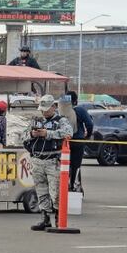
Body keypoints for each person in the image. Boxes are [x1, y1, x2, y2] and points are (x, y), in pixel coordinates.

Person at [24, 95, 73, 231]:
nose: (44, 112)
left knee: (56, 192)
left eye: (46, 109)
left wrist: (48, 134)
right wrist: (33, 135)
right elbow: (23, 135)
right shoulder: (36, 120)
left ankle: (59, 218)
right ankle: (45, 218)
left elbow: (68, 133)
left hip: (53, 160)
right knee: (41, 191)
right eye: (42, 109)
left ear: (54, 107)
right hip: (37, 159)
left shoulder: (61, 120)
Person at [68, 91, 93, 192]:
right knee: (76, 165)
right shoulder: (80, 110)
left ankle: (64, 185)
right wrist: (87, 136)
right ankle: (74, 186)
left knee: (64, 164)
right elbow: (89, 124)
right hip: (78, 141)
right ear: (76, 100)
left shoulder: (61, 111)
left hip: (65, 142)